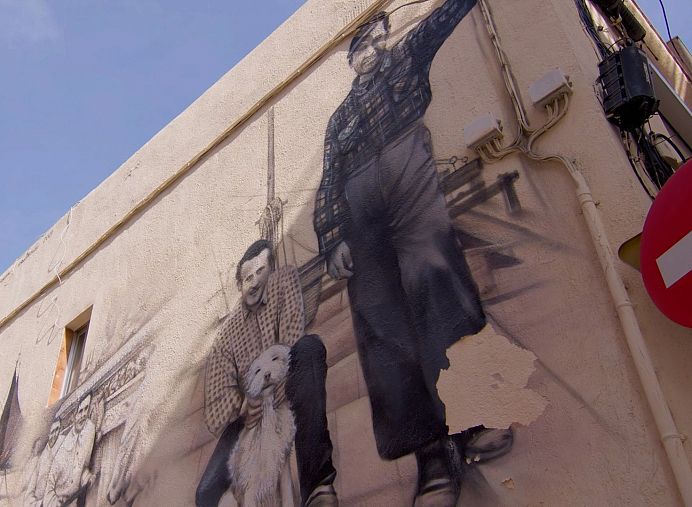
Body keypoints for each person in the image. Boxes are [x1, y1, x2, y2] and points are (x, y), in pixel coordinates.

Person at [313, 2, 511, 505]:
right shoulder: (337, 121)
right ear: (351, 59)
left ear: (387, 36)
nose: (372, 51)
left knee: (437, 283)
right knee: (382, 324)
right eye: (361, 47)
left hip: (410, 179)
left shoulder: (405, 61)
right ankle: (432, 459)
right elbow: (329, 182)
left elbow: (438, 22)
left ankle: (476, 419)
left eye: (378, 38)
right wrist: (332, 237)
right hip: (361, 212)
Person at [197, 240, 338, 507]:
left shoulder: (284, 282)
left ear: (270, 270)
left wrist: (269, 384)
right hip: (248, 414)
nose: (254, 282)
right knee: (205, 493)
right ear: (239, 286)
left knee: (308, 349)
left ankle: (318, 487)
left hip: (288, 385)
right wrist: (245, 405)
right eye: (247, 278)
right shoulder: (225, 338)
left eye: (260, 272)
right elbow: (215, 411)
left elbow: (292, 343)